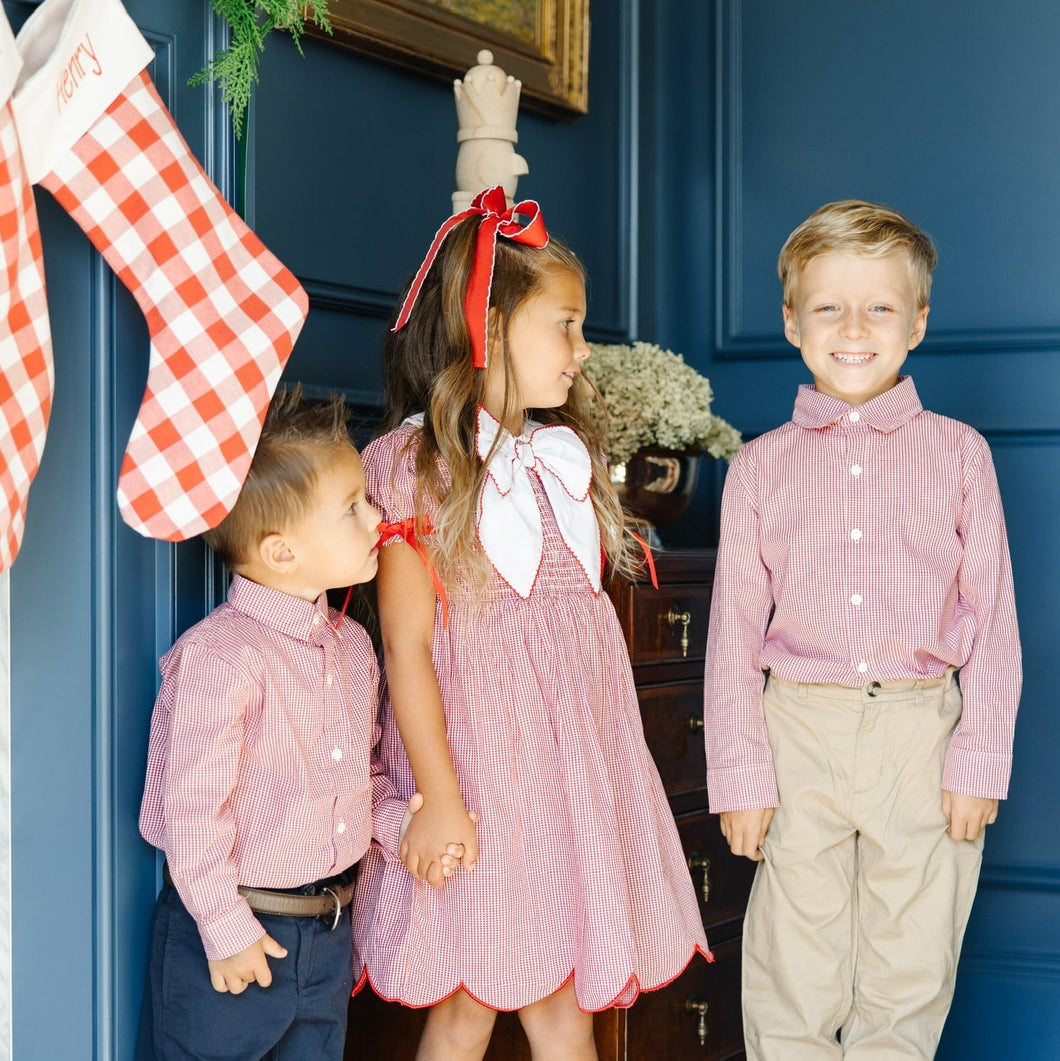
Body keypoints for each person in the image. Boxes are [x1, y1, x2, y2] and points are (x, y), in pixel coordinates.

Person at [352, 186, 711, 1061]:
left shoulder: (563, 461)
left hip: (568, 787)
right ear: (494, 324)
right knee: (469, 1001)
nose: (582, 354)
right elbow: (406, 646)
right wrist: (437, 795)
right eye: (569, 326)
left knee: (562, 1004)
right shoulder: (413, 464)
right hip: (474, 778)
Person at [703, 199, 1021, 1059]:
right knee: (790, 971)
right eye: (828, 307)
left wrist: (980, 758)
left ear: (917, 321)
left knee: (907, 973)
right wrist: (739, 775)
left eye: (879, 306)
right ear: (791, 320)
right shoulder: (760, 467)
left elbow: (992, 623)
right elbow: (732, 634)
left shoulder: (959, 456)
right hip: (796, 727)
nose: (853, 328)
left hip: (923, 730)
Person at [137, 386, 393, 1060]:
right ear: (281, 552)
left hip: (326, 940)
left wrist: (407, 825)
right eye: (352, 508)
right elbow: (192, 806)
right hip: (231, 932)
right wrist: (224, 927)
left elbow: (359, 774)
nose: (378, 517)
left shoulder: (354, 648)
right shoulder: (223, 657)